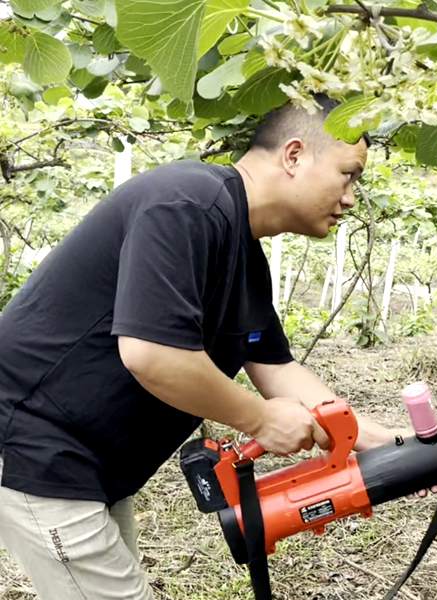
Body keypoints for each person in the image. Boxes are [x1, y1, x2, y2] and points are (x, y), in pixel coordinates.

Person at [0, 98, 404, 599]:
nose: (350, 197)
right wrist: (259, 419)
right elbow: (151, 353)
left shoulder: (242, 252)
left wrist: (383, 443)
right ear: (294, 155)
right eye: (348, 174)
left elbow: (276, 367)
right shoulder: (187, 203)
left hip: (92, 462)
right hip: (36, 446)